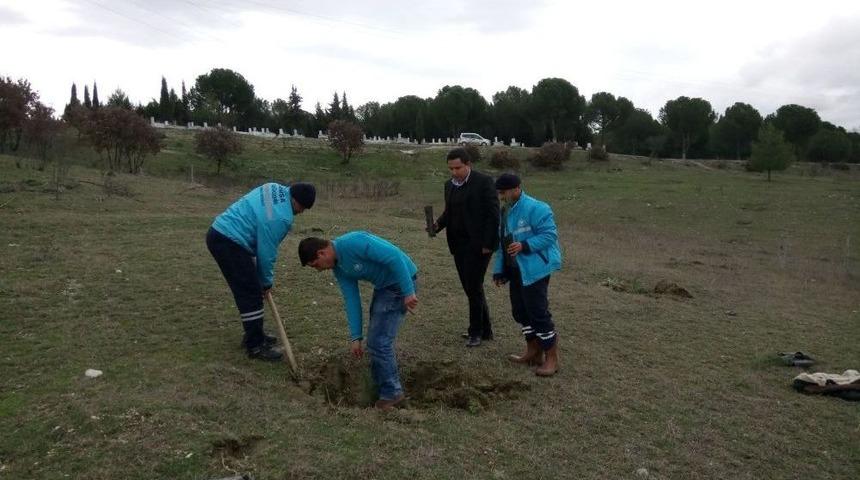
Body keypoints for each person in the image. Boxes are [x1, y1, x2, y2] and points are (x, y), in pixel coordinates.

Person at [298, 232, 418, 411]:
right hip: (384, 287)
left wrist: (408, 291)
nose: (318, 269)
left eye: (315, 265)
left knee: (379, 341)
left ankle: (392, 394)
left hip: (400, 282)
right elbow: (351, 299)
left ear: (322, 253)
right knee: (375, 340)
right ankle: (383, 389)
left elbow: (394, 256)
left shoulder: (353, 243)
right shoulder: (339, 268)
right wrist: (356, 337)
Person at [206, 182, 316, 361]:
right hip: (229, 242)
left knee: (250, 289)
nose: (301, 212)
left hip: (221, 231)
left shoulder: (272, 186)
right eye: (302, 207)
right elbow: (266, 252)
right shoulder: (282, 218)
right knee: (251, 292)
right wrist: (266, 282)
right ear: (296, 201)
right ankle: (255, 346)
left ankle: (255, 334)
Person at [492, 174, 562, 376]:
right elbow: (502, 244)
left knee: (538, 312)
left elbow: (550, 235)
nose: (501, 197)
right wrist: (499, 270)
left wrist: (525, 245)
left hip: (535, 268)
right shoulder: (505, 211)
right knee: (520, 311)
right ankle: (533, 352)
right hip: (515, 269)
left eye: (503, 192)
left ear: (516, 188)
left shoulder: (538, 207)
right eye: (499, 193)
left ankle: (551, 358)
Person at [431, 147, 499, 347]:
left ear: (468, 165)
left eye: (458, 168)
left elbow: (494, 215)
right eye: (450, 169)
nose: (454, 172)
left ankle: (475, 332)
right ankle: (485, 330)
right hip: (458, 244)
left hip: (478, 246)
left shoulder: (484, 182)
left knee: (474, 287)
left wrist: (488, 244)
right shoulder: (449, 186)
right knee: (471, 288)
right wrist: (438, 225)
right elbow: (449, 212)